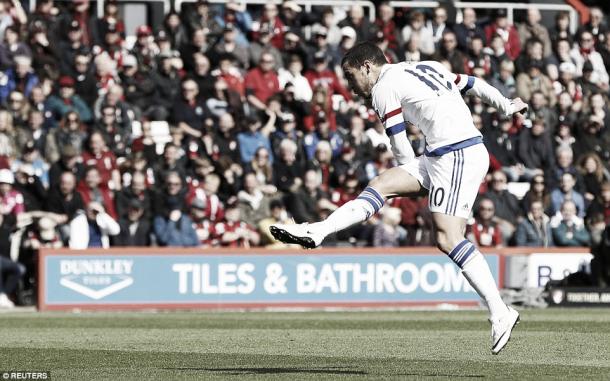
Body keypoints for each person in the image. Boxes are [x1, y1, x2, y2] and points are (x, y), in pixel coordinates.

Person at [271, 42, 527, 354]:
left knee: (447, 238)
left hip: (457, 154)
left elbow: (401, 146)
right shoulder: (424, 66)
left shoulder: (383, 87)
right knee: (380, 185)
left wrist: (412, 186)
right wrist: (505, 105)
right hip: (443, 153)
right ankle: (317, 230)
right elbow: (474, 83)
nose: (351, 88)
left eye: (351, 78)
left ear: (367, 67)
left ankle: (500, 311)